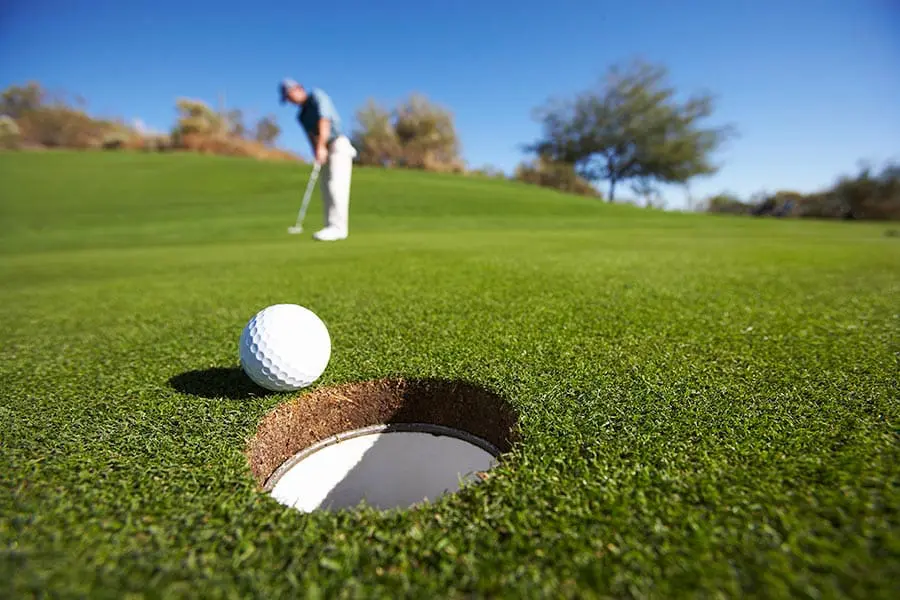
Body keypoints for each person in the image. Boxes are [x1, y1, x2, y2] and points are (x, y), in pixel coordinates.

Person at [280, 78, 357, 241]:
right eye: (287, 98)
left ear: (298, 89)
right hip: (323, 149)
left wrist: (321, 146)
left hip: (338, 145)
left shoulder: (317, 96)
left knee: (337, 186)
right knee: (326, 189)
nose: (290, 100)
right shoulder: (301, 116)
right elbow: (310, 136)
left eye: (289, 95)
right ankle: (330, 226)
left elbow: (325, 120)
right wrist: (316, 151)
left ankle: (338, 229)